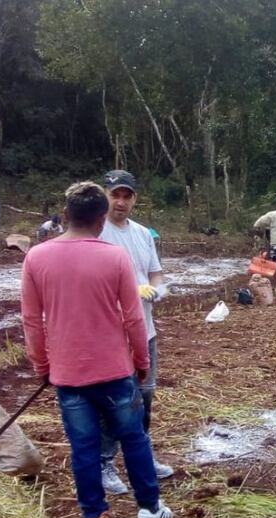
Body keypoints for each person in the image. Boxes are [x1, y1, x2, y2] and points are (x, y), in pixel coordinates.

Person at [20, 181, 172, 518]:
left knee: (83, 446)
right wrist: (141, 362)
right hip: (115, 371)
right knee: (133, 437)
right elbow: (134, 318)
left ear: (67, 214)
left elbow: (31, 320)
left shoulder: (37, 257)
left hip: (68, 375)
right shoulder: (114, 256)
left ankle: (94, 515)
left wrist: (42, 365)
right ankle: (149, 509)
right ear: (101, 219)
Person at [98, 169, 173, 495]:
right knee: (116, 399)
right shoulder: (96, 232)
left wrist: (157, 290)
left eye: (127, 196)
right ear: (105, 196)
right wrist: (128, 291)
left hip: (146, 329)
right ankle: (104, 461)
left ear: (135, 199)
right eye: (115, 194)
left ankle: (139, 457)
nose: (121, 201)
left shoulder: (143, 234)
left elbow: (154, 273)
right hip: (111, 332)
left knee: (144, 397)